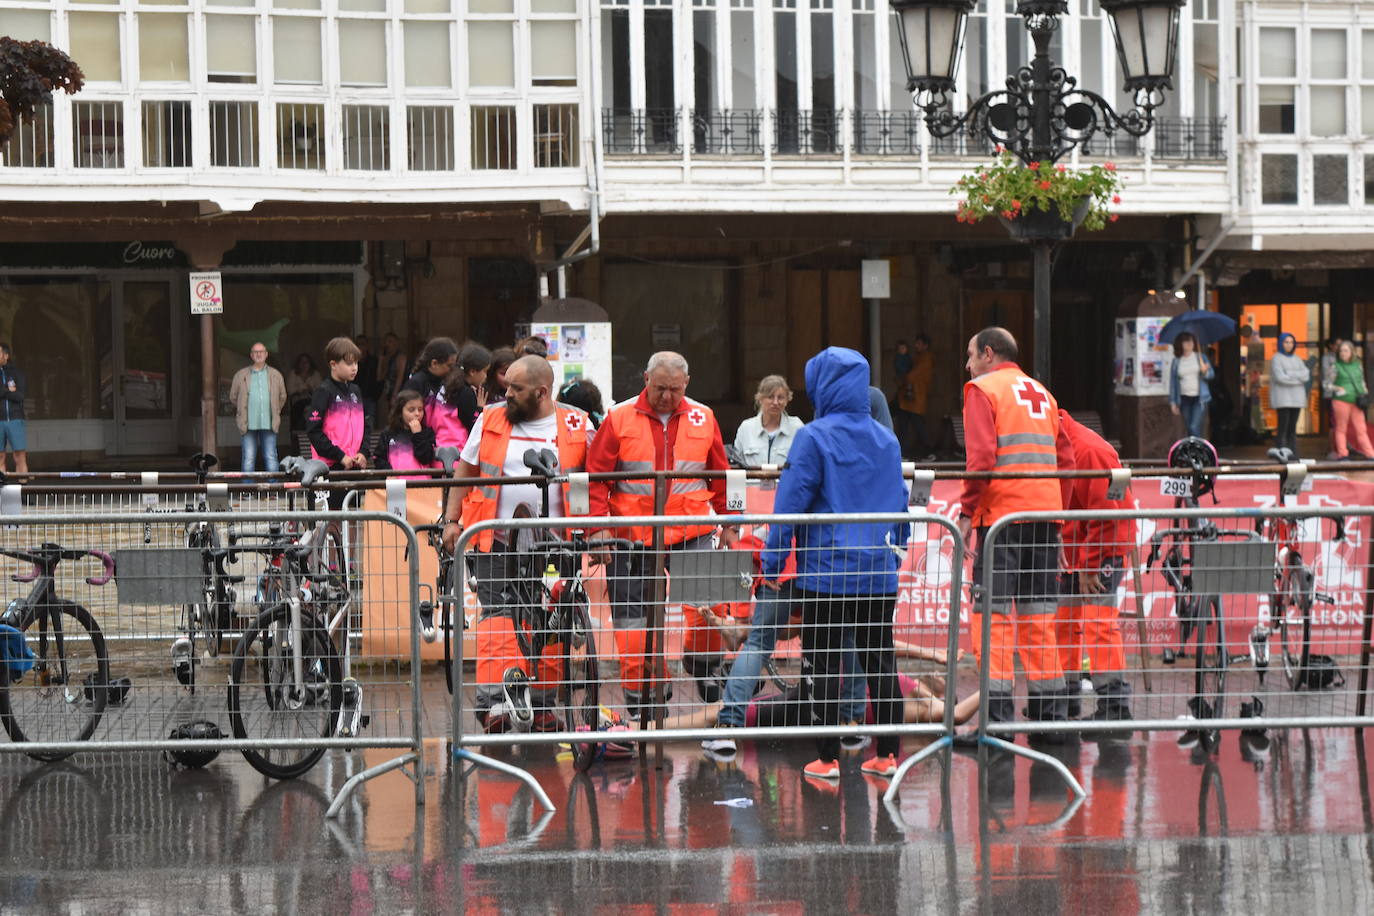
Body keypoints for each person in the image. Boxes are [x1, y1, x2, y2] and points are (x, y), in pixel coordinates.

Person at [761, 346, 908, 782]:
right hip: (878, 572)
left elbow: (790, 505)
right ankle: (887, 755)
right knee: (881, 661)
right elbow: (900, 504)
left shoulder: (813, 436)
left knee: (822, 661)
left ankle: (826, 759)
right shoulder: (887, 438)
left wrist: (772, 563)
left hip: (826, 573)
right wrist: (896, 550)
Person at [440, 355, 592, 732]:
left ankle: (542, 704)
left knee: (551, 621)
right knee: (498, 619)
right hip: (495, 537)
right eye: (507, 386)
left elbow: (597, 477)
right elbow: (466, 468)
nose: (506, 394)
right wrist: (451, 520)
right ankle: (494, 704)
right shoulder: (491, 417)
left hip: (555, 544)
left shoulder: (578, 422)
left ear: (541, 392)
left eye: (516, 389)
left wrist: (595, 530)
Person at [584, 351, 739, 718]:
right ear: (645, 380)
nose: (667, 397)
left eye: (674, 389)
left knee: (711, 607)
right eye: (659, 389)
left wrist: (732, 523)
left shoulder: (705, 417)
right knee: (634, 621)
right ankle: (644, 695)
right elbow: (595, 478)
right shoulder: (619, 417)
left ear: (686, 383)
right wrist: (598, 528)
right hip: (632, 536)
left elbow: (721, 474)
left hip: (694, 530)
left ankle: (705, 665)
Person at [957, 327, 1075, 732]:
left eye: (970, 355)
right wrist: (1059, 519)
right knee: (1038, 616)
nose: (967, 365)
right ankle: (1050, 714)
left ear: (988, 354)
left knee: (992, 617)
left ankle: (997, 720)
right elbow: (1067, 460)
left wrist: (966, 513)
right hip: (1044, 520)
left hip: (1001, 520)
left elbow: (983, 458)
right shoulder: (1043, 393)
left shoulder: (982, 390)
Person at [1055, 409, 1136, 731]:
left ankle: (1114, 705)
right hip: (1078, 547)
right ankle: (1068, 698)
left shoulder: (1089, 451)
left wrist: (1089, 566)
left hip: (1102, 550)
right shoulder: (1065, 444)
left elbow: (1105, 517)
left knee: (1098, 624)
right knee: (1065, 622)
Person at [305, 336, 371, 506]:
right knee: (332, 523)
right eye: (349, 364)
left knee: (352, 521)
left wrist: (363, 452)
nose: (354, 368)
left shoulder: (356, 391)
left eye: (356, 363)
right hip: (329, 468)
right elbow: (313, 430)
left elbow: (366, 426)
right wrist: (340, 456)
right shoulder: (323, 391)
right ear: (333, 364)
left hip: (353, 466)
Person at [229, 341, 286, 473]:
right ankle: (247, 492)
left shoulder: (275, 375)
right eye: (255, 352)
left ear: (266, 354)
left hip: (269, 422)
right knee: (248, 458)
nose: (258, 354)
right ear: (251, 355)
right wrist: (242, 411)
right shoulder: (241, 375)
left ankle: (273, 491)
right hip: (248, 423)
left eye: (261, 352)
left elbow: (282, 396)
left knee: (271, 456)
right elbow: (233, 396)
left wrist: (275, 411)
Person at [734, 375, 804, 467]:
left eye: (780, 397)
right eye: (770, 397)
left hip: (785, 481)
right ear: (760, 399)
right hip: (752, 481)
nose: (775, 402)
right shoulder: (746, 428)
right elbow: (736, 465)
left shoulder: (797, 427)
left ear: (787, 400)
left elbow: (805, 463)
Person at [1325, 339, 1374, 460]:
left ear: (1352, 352)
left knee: (1361, 429)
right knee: (1341, 428)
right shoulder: (1335, 366)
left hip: (1357, 401)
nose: (1343, 353)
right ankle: (1343, 454)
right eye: (1341, 351)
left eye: (1346, 351)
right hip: (1341, 401)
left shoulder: (1358, 365)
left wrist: (1364, 392)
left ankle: (1370, 455)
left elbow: (1361, 381)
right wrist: (1338, 389)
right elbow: (1326, 384)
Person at [405, 336, 460, 444]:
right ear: (434, 364)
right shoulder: (417, 383)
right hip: (420, 439)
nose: (452, 370)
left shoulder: (448, 382)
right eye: (449, 366)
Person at [371, 389, 436, 478]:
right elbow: (378, 458)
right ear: (400, 412)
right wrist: (389, 473)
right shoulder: (389, 433)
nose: (417, 413)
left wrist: (418, 435)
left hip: (422, 485)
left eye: (420, 409)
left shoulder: (427, 433)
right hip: (396, 485)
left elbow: (426, 458)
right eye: (411, 410)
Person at [894, 332, 936, 460]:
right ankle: (903, 453)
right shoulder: (918, 357)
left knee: (916, 427)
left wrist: (902, 379)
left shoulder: (926, 359)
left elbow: (912, 376)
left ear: (925, 345)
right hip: (910, 398)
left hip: (915, 398)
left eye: (918, 343)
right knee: (904, 426)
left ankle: (929, 452)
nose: (915, 345)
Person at [1268, 333, 1310, 461]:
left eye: (1291, 342)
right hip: (1283, 399)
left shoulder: (1297, 359)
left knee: (1292, 429)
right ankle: (1280, 454)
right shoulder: (1276, 358)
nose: (1289, 345)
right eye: (1286, 342)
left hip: (1297, 400)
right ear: (1281, 343)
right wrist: (1298, 379)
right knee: (1283, 428)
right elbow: (1280, 378)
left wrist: (1290, 374)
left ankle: (1292, 454)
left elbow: (1306, 375)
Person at [1168, 332, 1214, 439]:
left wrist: (1205, 371)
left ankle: (1198, 451)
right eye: (1186, 341)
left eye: (1191, 340)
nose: (1189, 343)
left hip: (1200, 398)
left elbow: (1211, 375)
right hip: (1184, 399)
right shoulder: (1176, 362)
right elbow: (1173, 383)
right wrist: (1173, 402)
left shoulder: (1201, 358)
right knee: (1189, 428)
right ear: (1180, 344)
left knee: (1194, 426)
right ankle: (1195, 452)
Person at [0, 343, 27, 474]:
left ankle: (23, 487)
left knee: (19, 456)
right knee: (0, 457)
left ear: (6, 355)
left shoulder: (16, 373)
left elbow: (20, 396)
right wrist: (8, 390)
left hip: (15, 419)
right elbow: (12, 393)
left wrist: (3, 391)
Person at [287, 353, 323, 434]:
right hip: (297, 400)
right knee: (300, 407)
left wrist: (311, 389)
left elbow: (320, 390)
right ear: (298, 364)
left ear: (310, 364)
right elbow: (289, 389)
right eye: (302, 362)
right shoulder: (293, 374)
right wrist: (300, 390)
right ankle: (298, 429)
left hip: (312, 399)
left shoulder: (315, 374)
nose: (304, 365)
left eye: (306, 362)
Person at [378, 332, 408, 414]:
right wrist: (381, 361)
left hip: (399, 392)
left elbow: (400, 377)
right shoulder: (387, 358)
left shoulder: (400, 357)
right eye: (386, 342)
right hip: (388, 392)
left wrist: (395, 395)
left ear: (396, 343)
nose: (387, 344)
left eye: (390, 341)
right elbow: (379, 377)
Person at [355, 334, 382, 423]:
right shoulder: (353, 362)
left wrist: (375, 395)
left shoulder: (373, 361)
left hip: (370, 398)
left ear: (367, 346)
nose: (360, 347)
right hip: (356, 398)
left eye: (362, 344)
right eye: (358, 344)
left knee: (369, 424)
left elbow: (378, 378)